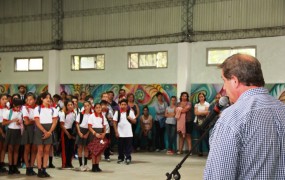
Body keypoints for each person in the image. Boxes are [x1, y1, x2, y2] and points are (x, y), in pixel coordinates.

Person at [204, 54, 285, 179]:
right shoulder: (282, 110)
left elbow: (219, 176)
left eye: (224, 81)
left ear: (235, 81)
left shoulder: (231, 117)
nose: (224, 88)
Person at [33, 92, 58, 178]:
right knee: (40, 150)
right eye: (46, 97)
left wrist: (49, 132)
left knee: (47, 150)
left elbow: (54, 122)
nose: (48, 99)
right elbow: (37, 121)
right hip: (40, 129)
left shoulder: (53, 110)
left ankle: (44, 169)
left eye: (49, 98)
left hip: (49, 129)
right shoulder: (37, 108)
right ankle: (39, 170)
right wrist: (44, 131)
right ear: (42, 99)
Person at [2, 98, 23, 175]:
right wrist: (12, 121)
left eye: (20, 107)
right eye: (17, 106)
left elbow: (21, 123)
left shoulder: (21, 112)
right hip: (10, 131)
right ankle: (10, 166)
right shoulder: (8, 112)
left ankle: (15, 166)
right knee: (10, 149)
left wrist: (19, 123)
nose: (18, 108)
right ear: (13, 105)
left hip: (18, 131)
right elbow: (3, 123)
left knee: (16, 150)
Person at [113, 99, 136, 165]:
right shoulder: (117, 113)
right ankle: (121, 158)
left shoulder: (130, 112)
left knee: (128, 147)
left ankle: (128, 158)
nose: (123, 106)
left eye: (125, 104)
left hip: (128, 133)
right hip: (120, 133)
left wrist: (130, 118)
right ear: (119, 105)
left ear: (127, 105)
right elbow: (114, 122)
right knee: (120, 147)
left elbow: (134, 121)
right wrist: (116, 132)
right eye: (122, 104)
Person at [88, 103, 108, 172]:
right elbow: (90, 127)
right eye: (97, 107)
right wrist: (95, 133)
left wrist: (104, 133)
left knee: (99, 151)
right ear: (94, 109)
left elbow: (105, 126)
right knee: (94, 151)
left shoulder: (103, 116)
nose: (99, 109)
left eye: (100, 107)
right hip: (94, 134)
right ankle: (93, 166)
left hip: (101, 133)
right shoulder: (92, 116)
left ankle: (97, 165)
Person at [21, 93, 38, 176]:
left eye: (31, 99)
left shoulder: (37, 108)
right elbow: (26, 122)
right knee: (27, 149)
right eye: (27, 99)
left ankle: (31, 167)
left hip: (36, 130)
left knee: (34, 149)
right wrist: (35, 120)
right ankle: (27, 167)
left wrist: (33, 120)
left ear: (35, 100)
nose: (29, 101)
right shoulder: (25, 108)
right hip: (28, 130)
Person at [75, 101, 92, 171]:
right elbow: (77, 124)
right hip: (81, 130)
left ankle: (85, 164)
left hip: (88, 131)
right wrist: (79, 132)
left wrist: (88, 133)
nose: (86, 107)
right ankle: (80, 165)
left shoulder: (92, 115)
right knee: (80, 148)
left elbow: (92, 125)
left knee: (86, 148)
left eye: (88, 105)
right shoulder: (81, 114)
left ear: (90, 106)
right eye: (85, 106)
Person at [59, 100, 76, 169]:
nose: (70, 106)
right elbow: (61, 125)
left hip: (72, 131)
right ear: (66, 106)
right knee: (65, 148)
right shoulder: (63, 114)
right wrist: (67, 134)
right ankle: (64, 163)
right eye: (68, 105)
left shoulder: (74, 113)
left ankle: (70, 163)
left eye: (71, 105)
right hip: (65, 131)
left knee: (71, 148)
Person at [0, 94, 8, 173]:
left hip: (6, 127)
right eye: (3, 99)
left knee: (4, 148)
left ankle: (2, 164)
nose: (5, 100)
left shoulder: (7, 108)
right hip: (0, 127)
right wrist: (1, 132)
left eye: (6, 99)